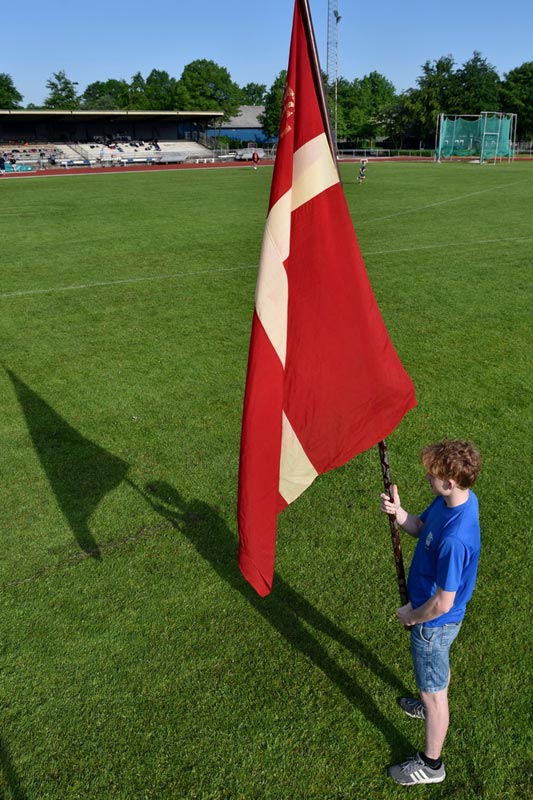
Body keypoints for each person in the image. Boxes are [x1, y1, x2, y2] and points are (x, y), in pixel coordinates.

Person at [380, 439, 482, 786]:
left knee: (434, 694)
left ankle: (431, 764)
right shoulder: (450, 502)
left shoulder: (457, 538)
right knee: (437, 676)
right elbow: (423, 530)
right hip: (436, 621)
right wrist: (400, 514)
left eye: (433, 474)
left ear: (450, 482)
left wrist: (412, 616)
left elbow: (443, 602)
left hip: (433, 622)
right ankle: (430, 707)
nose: (427, 476)